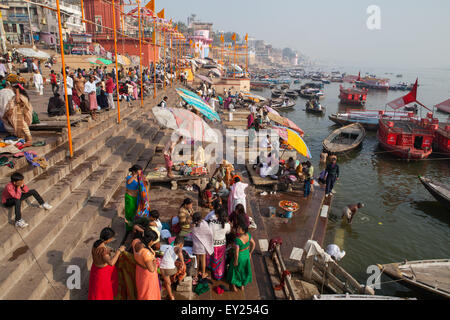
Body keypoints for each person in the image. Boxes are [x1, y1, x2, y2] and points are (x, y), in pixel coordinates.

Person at [88, 227, 125, 300]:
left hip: (96, 269)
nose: (112, 239)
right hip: (102, 274)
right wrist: (119, 252)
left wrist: (110, 250)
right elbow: (111, 263)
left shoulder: (96, 243)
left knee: (96, 292)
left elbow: (100, 253)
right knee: (104, 294)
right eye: (112, 238)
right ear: (108, 239)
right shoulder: (103, 251)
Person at [226, 214, 255, 292]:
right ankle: (242, 285)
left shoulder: (237, 240)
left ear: (243, 230)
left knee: (234, 271)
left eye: (239, 228)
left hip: (240, 257)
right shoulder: (248, 235)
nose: (238, 229)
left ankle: (233, 285)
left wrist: (235, 260)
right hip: (246, 255)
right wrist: (250, 253)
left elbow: (236, 253)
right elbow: (254, 244)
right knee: (243, 271)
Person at [131, 228, 161, 300]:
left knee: (142, 290)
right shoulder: (146, 253)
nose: (153, 243)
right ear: (150, 240)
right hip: (148, 276)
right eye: (153, 241)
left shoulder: (135, 241)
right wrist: (154, 261)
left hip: (139, 271)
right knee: (148, 293)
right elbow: (151, 269)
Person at [207, 207, 230, 280]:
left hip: (213, 244)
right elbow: (228, 232)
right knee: (220, 260)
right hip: (222, 245)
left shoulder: (212, 223)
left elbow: (209, 233)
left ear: (217, 215)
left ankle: (212, 270)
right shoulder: (227, 225)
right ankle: (218, 274)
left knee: (213, 258)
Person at [159, 235, 185, 300]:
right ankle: (177, 279)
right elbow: (179, 251)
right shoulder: (177, 248)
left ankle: (171, 297)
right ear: (181, 245)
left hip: (162, 269)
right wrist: (183, 263)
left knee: (168, 283)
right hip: (170, 270)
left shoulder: (170, 247)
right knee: (183, 270)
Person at [191, 211, 214, 280]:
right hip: (202, 245)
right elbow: (209, 233)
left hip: (196, 245)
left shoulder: (192, 225)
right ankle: (203, 273)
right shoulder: (204, 224)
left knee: (197, 260)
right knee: (203, 260)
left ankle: (196, 275)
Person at [125, 165, 142, 233]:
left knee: (135, 211)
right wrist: (134, 176)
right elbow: (128, 182)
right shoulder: (129, 177)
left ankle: (134, 225)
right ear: (134, 172)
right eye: (138, 172)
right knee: (130, 212)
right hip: (130, 197)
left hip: (136, 197)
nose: (140, 173)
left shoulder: (138, 178)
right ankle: (129, 227)